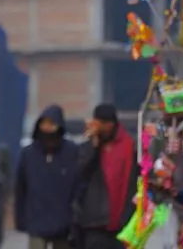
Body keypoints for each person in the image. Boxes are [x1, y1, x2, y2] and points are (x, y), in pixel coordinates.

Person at [15, 105, 81, 249]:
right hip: (36, 220)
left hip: (64, 222)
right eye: (44, 123)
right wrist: (21, 219)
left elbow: (78, 186)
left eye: (52, 124)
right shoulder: (29, 154)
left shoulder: (71, 152)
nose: (47, 128)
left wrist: (75, 218)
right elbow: (21, 188)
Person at [74, 105, 137, 249]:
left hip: (123, 221)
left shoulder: (129, 145)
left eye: (105, 124)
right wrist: (93, 145)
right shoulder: (88, 147)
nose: (103, 128)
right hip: (95, 221)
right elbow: (80, 173)